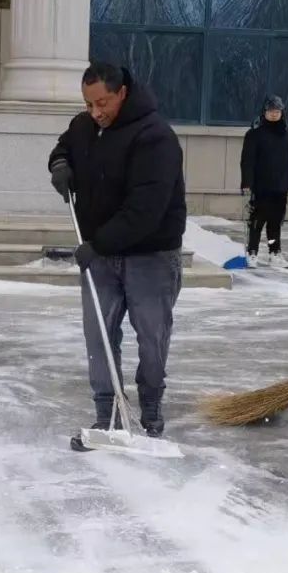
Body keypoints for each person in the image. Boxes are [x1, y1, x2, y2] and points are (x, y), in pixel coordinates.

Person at [48, 63, 186, 439]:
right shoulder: (84, 126)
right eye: (89, 104)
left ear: (122, 92)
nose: (96, 112)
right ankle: (106, 412)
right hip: (99, 254)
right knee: (99, 337)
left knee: (152, 338)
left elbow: (145, 210)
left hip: (151, 256)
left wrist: (99, 245)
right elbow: (63, 147)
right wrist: (60, 165)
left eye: (102, 103)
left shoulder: (156, 137)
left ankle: (152, 407)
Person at [240, 95, 288, 269]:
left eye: (277, 111)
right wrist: (246, 182)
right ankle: (252, 252)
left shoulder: (286, 133)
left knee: (275, 222)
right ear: (264, 112)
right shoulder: (255, 133)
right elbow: (247, 160)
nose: (274, 114)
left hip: (280, 187)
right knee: (257, 221)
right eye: (271, 111)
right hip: (261, 186)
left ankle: (274, 252)